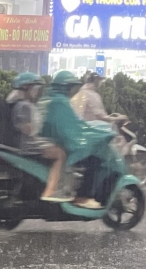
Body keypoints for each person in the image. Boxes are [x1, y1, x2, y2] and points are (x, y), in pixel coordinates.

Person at [41, 70, 119, 209]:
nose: (72, 91)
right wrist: (97, 133)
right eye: (71, 87)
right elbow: (75, 127)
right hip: (65, 143)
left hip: (54, 141)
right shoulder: (61, 102)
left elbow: (72, 124)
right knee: (94, 161)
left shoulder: (49, 98)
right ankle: (82, 197)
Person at [9, 72, 70, 203]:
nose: (36, 92)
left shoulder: (24, 104)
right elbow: (27, 129)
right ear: (26, 88)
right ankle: (50, 191)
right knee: (60, 154)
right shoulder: (24, 106)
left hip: (30, 142)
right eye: (34, 88)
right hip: (29, 145)